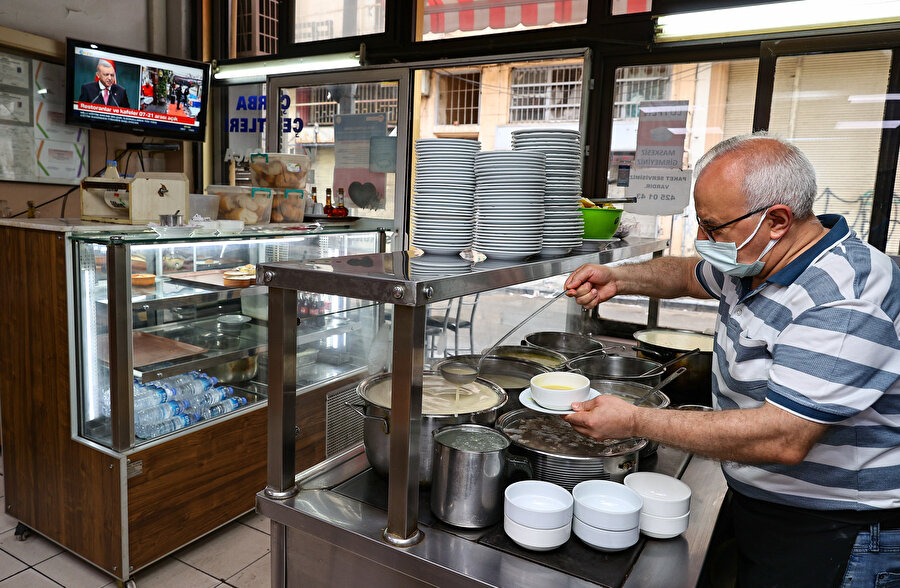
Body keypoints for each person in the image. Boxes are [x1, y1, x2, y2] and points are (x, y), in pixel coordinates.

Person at [563, 132, 900, 587]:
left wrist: (635, 421)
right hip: (769, 505)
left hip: (837, 531)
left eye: (713, 227)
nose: (703, 240)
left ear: (777, 220)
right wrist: (617, 278)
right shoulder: (759, 261)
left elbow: (784, 437)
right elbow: (686, 274)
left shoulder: (845, 298)